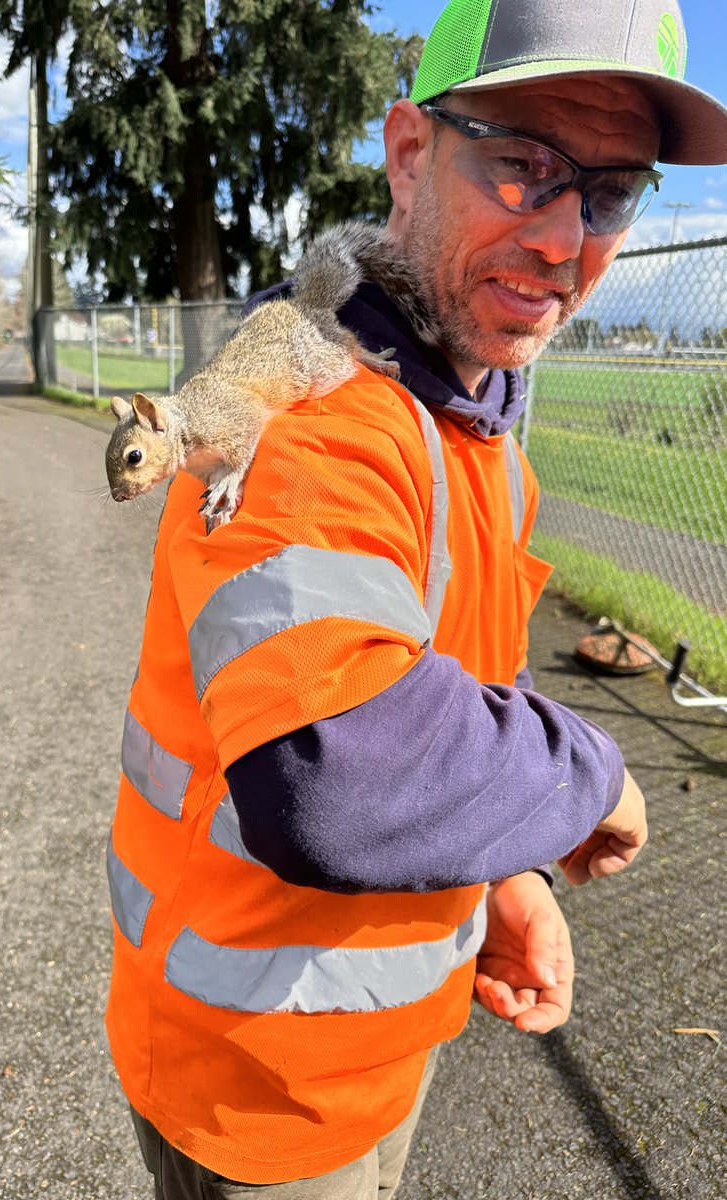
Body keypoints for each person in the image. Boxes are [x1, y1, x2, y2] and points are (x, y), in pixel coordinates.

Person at [105, 0, 727, 1195]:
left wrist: (511, 872)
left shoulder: (476, 431)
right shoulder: (307, 429)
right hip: (258, 1090)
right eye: (523, 167)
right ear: (407, 154)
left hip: (389, 1046)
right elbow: (339, 773)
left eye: (608, 193)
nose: (563, 240)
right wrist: (591, 775)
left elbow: (472, 680)